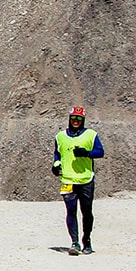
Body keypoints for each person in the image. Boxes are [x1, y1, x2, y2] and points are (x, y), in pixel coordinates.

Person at [52, 106, 105, 255]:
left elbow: (100, 152)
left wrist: (87, 153)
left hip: (86, 179)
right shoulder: (60, 136)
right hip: (68, 180)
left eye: (79, 119)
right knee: (71, 211)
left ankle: (86, 240)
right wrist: (55, 165)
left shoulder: (91, 135)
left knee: (86, 212)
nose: (76, 121)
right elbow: (57, 154)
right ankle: (74, 242)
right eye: (74, 118)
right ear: (69, 119)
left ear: (83, 120)